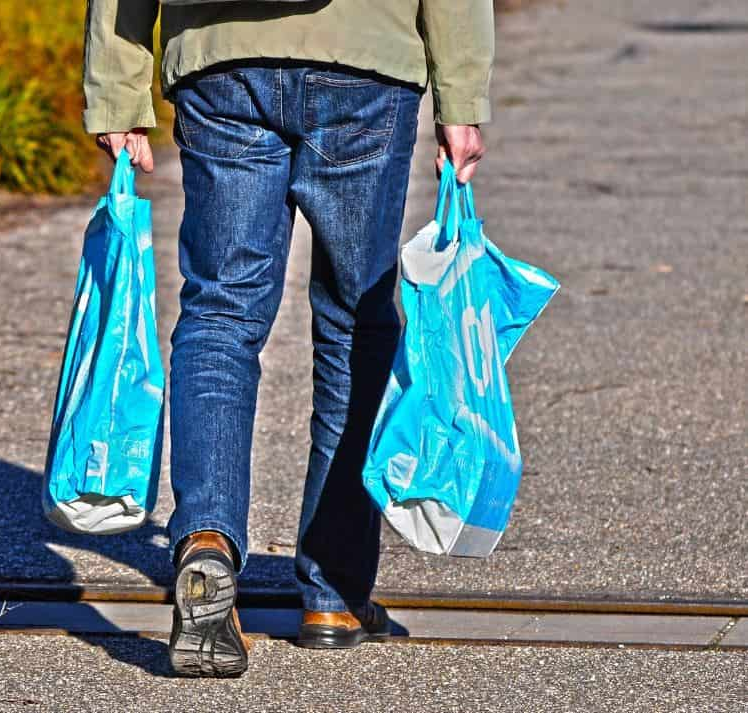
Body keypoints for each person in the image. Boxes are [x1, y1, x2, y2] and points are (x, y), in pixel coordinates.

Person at [84, 0, 493, 677]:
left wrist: (117, 88)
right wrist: (462, 93)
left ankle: (206, 538)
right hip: (364, 57)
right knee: (354, 320)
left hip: (219, 53)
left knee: (220, 312)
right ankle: (333, 594)